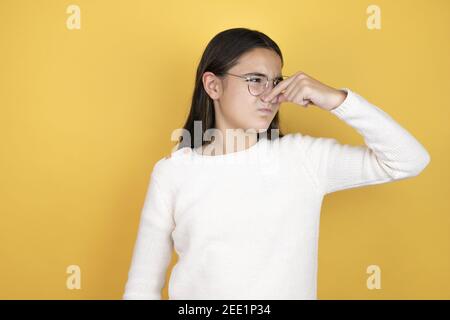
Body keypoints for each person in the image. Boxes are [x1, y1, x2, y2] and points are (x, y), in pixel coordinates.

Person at [122, 28, 430, 300]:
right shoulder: (173, 171)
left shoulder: (303, 159)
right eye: (255, 80)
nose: (270, 95)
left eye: (277, 82)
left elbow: (409, 160)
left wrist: (335, 99)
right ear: (213, 86)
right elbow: (142, 288)